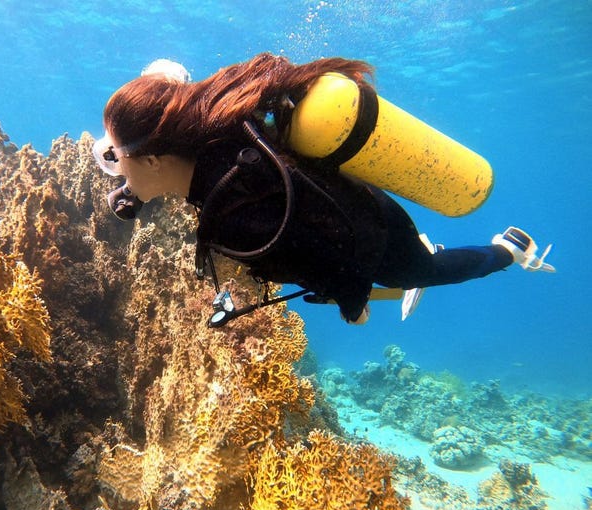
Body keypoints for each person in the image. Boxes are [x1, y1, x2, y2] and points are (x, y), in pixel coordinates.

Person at [94, 53, 554, 326]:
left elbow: (337, 262)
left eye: (118, 158)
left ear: (154, 158)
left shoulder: (236, 223)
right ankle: (428, 248)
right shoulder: (209, 127)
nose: (118, 175)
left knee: (420, 271)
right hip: (357, 195)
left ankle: (507, 252)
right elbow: (163, 84)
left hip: (371, 235)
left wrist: (353, 306)